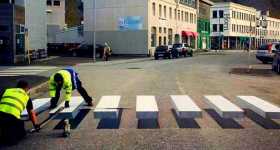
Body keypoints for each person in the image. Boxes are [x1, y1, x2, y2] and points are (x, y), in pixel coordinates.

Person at [0, 80, 39, 146]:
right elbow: (31, 113)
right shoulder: (26, 97)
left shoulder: (7, 91)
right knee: (18, 137)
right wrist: (36, 125)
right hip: (12, 118)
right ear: (26, 88)